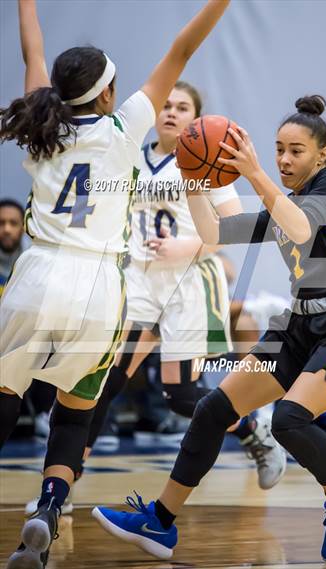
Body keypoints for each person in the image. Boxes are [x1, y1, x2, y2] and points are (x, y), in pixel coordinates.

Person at [93, 95, 326, 563]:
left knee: (290, 420)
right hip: (299, 325)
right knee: (213, 409)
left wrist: (253, 172)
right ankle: (160, 521)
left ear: (321, 155)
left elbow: (302, 230)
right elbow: (213, 233)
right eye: (277, 149)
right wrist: (192, 179)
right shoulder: (285, 204)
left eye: (296, 151)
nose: (284, 159)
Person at [0, 0, 230, 567]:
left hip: (37, 272)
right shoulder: (126, 128)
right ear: (107, 95)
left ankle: (48, 506)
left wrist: (26, 3)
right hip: (100, 285)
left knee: (6, 396)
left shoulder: (38, 123)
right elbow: (182, 49)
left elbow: (32, 49)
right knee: (75, 411)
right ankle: (50, 507)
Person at [82, 80, 286, 493]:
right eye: (166, 105)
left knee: (181, 395)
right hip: (139, 281)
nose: (172, 112)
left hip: (189, 283)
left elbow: (234, 227)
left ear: (196, 119)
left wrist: (187, 246)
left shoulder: (204, 161)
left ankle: (253, 433)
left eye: (182, 107)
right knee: (105, 380)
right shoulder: (131, 159)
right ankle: (65, 482)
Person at [0, 199, 27, 295]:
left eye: (13, 223)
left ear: (24, 227)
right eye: (1, 223)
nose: (7, 229)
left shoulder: (34, 262)